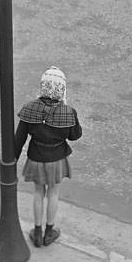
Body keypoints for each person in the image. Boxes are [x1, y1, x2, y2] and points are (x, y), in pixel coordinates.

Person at [14, 66, 82, 248]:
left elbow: (19, 139)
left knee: (38, 192)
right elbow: (75, 136)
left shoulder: (30, 109)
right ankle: (49, 232)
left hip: (36, 158)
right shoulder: (68, 112)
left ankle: (36, 233)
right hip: (57, 159)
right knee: (53, 193)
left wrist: (12, 160)